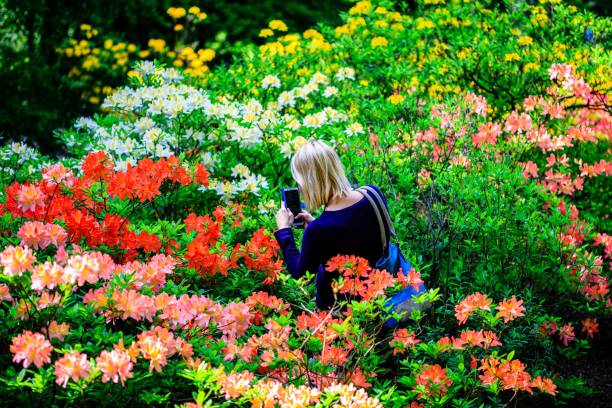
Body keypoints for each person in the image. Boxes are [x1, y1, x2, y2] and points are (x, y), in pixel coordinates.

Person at [274, 140, 391, 310]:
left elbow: (300, 273)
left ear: (309, 182)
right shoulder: (372, 193)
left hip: (338, 314)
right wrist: (316, 225)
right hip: (380, 301)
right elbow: (356, 238)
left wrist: (284, 231)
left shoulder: (319, 230)